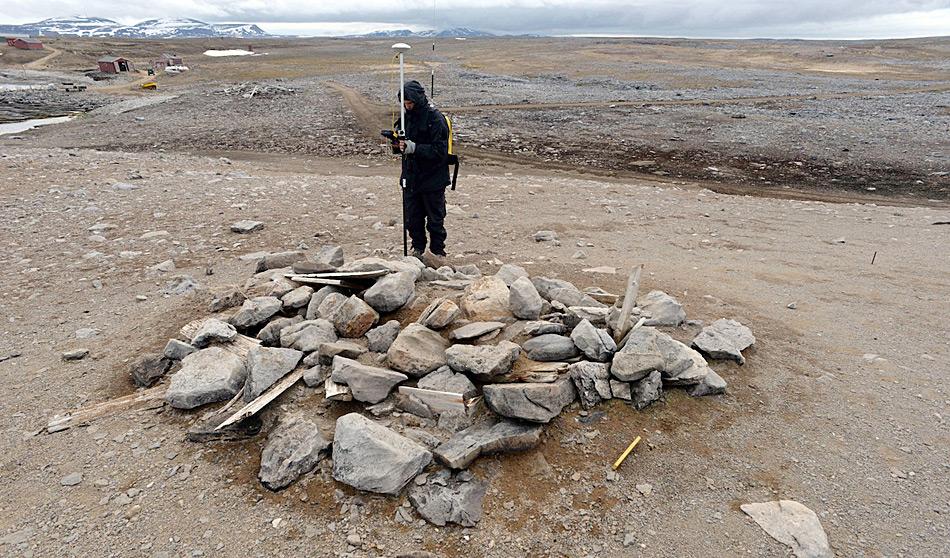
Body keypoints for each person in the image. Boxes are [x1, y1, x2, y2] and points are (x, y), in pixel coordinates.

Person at [395, 80, 450, 266]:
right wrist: (398, 144)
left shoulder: (435, 119)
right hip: (411, 176)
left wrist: (414, 148)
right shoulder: (405, 118)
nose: (407, 107)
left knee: (435, 218)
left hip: (433, 177)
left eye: (410, 103)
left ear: (418, 100)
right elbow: (402, 146)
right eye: (404, 104)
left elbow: (439, 152)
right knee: (413, 216)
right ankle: (417, 249)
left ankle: (437, 253)